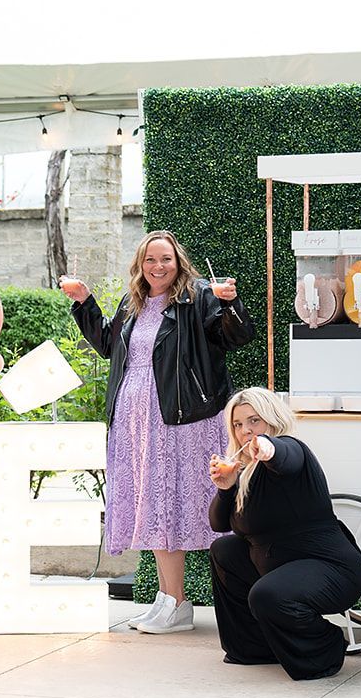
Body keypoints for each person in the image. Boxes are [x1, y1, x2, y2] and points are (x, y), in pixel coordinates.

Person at [62, 230, 256, 633]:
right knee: (151, 506)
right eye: (150, 260)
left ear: (178, 261)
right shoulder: (133, 303)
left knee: (167, 506)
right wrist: (83, 303)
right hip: (136, 420)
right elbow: (107, 343)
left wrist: (229, 303)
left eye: (166, 259)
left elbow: (235, 337)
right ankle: (170, 600)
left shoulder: (198, 297)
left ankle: (177, 603)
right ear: (140, 265)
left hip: (179, 421)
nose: (158, 267)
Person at [206, 388, 361, 680]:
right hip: (281, 566)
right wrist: (226, 486)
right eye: (238, 425)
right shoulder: (245, 473)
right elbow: (218, 524)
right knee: (225, 550)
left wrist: (268, 448)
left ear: (271, 418)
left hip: (331, 568)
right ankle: (254, 648)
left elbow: (285, 456)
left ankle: (327, 648)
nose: (246, 431)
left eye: (254, 421)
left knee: (267, 594)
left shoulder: (292, 449)